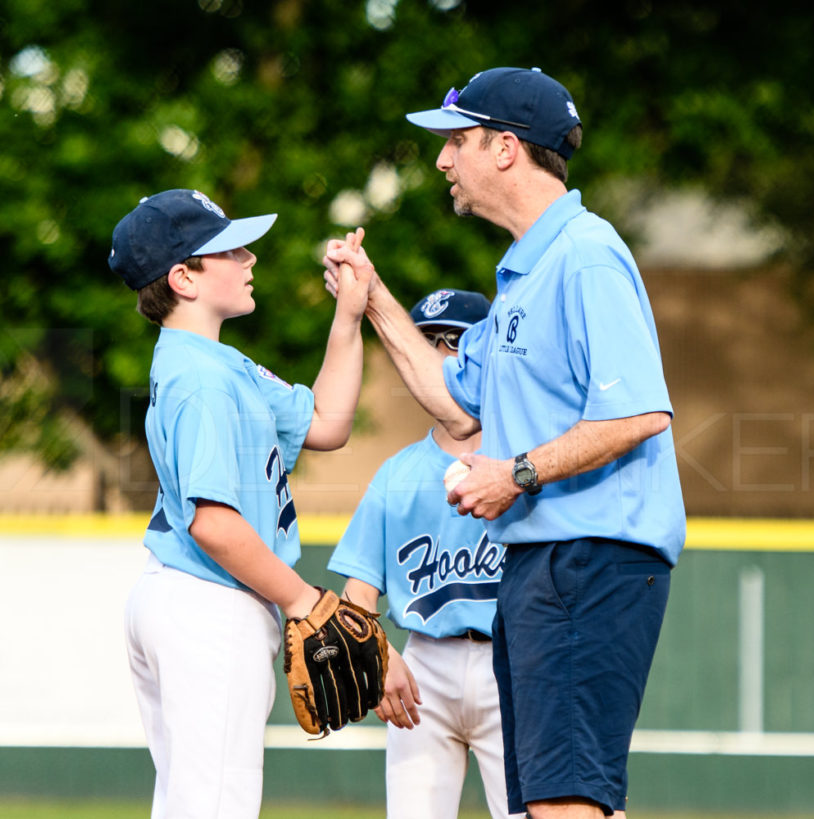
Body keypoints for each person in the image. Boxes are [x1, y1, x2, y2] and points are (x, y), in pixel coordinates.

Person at [324, 67, 686, 819]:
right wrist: (373, 293)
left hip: (591, 557)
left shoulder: (585, 253)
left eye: (458, 140)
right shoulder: (524, 273)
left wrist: (516, 473)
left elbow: (639, 412)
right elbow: (453, 395)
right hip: (542, 565)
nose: (442, 161)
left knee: (564, 802)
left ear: (506, 149)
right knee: (556, 802)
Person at [108, 188, 369, 818]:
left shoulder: (217, 364)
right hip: (209, 601)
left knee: (191, 801)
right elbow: (213, 523)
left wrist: (350, 316)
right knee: (216, 805)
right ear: (183, 278)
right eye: (228, 248)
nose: (249, 257)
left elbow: (327, 422)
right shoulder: (200, 380)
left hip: (190, 597)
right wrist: (305, 600)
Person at [327, 289, 524, 819]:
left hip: (513, 662)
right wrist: (379, 653)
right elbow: (359, 591)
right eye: (426, 342)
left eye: (455, 341)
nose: (439, 354)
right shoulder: (397, 472)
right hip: (424, 670)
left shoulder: (526, 464)